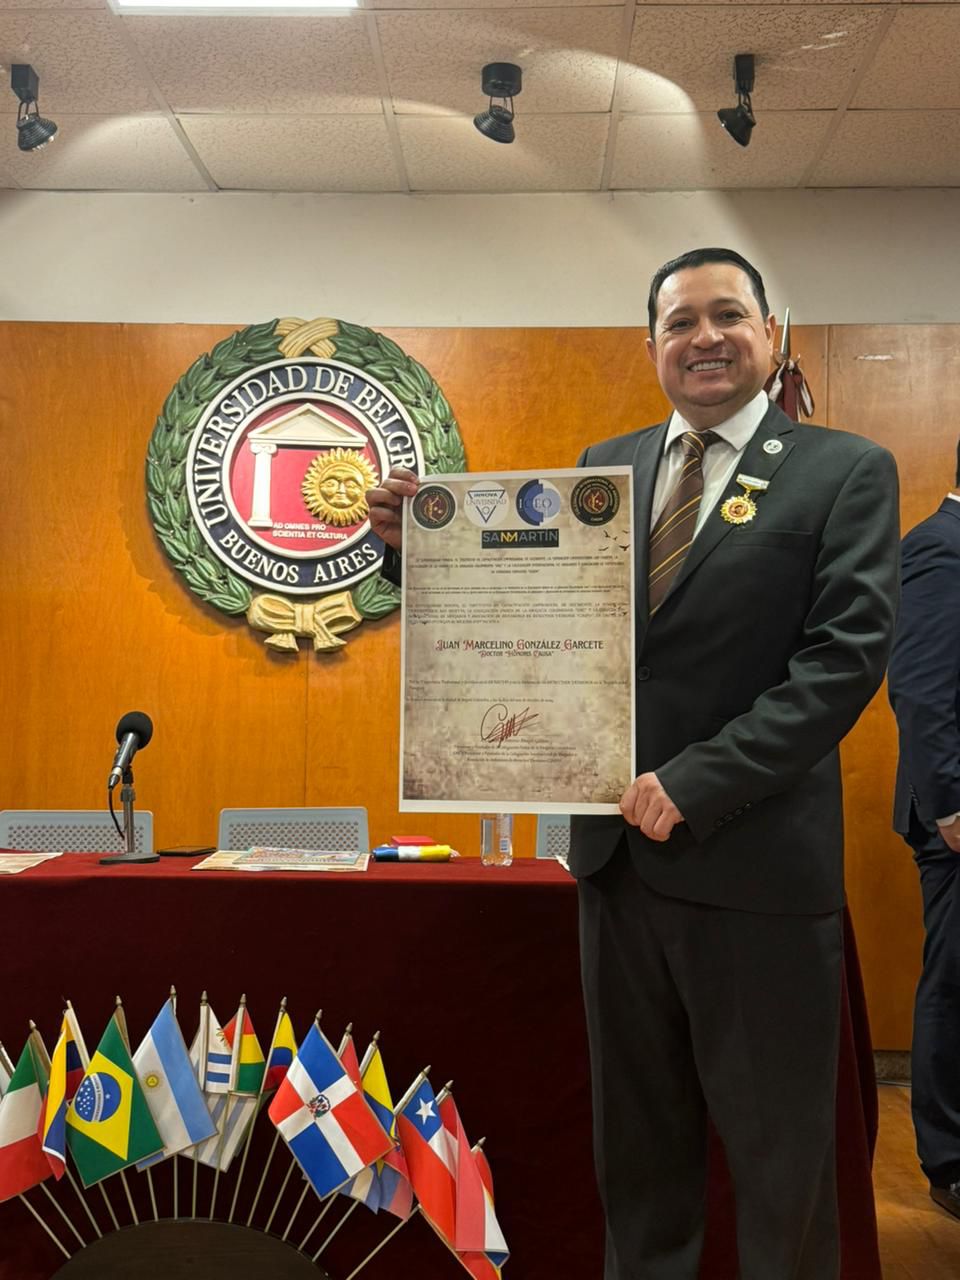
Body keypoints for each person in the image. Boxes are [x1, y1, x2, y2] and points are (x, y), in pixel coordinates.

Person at [367, 247, 900, 1280]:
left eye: (728, 315)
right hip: (615, 871)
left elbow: (842, 664)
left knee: (780, 1167)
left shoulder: (844, 470)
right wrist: (412, 548)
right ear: (650, 344)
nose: (705, 336)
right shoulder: (605, 469)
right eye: (680, 321)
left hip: (758, 879)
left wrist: (695, 781)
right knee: (641, 1162)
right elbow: (531, 619)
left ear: (771, 331)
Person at [887, 441, 960, 1220]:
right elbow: (921, 687)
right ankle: (950, 1161)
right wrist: (949, 806)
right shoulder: (941, 550)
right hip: (957, 817)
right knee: (955, 983)